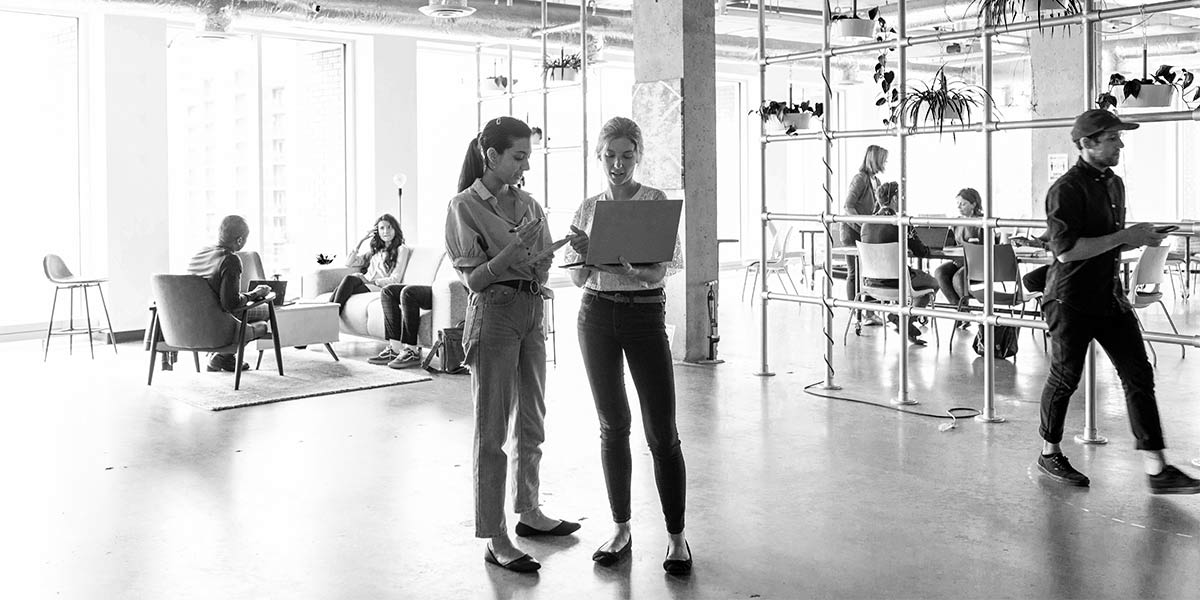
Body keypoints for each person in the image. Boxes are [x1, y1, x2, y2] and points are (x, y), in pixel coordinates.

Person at [1035, 109, 1199, 494]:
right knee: (1065, 378)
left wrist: (1139, 236)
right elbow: (1066, 252)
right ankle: (1049, 451)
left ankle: (1158, 469)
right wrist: (1127, 236)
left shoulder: (1115, 184)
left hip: (1109, 297)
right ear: (1087, 144)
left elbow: (1108, 238)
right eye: (1112, 138)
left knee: (1138, 376)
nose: (1120, 144)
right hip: (1071, 300)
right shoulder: (1065, 189)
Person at [445, 116, 578, 574]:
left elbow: (539, 266)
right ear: (492, 156)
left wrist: (556, 250)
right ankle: (494, 535)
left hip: (530, 310)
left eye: (528, 156)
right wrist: (510, 252)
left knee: (532, 420)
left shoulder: (528, 202)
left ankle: (530, 511)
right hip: (495, 314)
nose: (524, 165)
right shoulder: (464, 206)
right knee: (492, 431)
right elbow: (474, 279)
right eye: (518, 156)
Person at [564, 116, 692, 574]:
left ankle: (677, 538)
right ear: (598, 156)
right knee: (612, 425)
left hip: (643, 314)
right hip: (594, 315)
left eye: (626, 155)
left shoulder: (653, 202)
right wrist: (583, 252)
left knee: (662, 431)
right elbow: (577, 277)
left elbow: (659, 272)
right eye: (609, 156)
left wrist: (634, 271)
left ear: (638, 156)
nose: (617, 164)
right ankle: (621, 528)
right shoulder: (587, 207)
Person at [186, 215, 272, 372]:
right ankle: (224, 356)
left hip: (191, 322)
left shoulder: (200, 253)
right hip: (217, 321)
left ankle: (224, 356)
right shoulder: (230, 259)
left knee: (243, 310)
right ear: (239, 240)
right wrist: (255, 293)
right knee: (265, 310)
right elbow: (230, 304)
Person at [860, 181, 939, 346]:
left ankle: (903, 321)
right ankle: (907, 321)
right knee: (933, 283)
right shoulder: (900, 222)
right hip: (897, 283)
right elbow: (920, 251)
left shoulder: (866, 223)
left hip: (872, 284)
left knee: (915, 278)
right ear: (895, 199)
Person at [842, 145, 889, 326]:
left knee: (869, 271)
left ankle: (869, 312)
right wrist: (864, 224)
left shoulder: (875, 181)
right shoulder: (860, 179)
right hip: (851, 230)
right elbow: (848, 206)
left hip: (864, 231)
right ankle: (856, 313)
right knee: (854, 272)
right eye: (883, 159)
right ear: (875, 159)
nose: (885, 163)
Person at [329, 214, 405, 313]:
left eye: (389, 227)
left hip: (378, 287)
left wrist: (370, 282)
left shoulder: (401, 249)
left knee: (347, 283)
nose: (385, 231)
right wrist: (362, 240)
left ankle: (330, 317)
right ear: (377, 232)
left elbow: (395, 278)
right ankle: (329, 317)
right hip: (366, 283)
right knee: (339, 289)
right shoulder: (375, 251)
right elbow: (349, 263)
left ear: (395, 229)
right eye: (382, 228)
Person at [934, 187, 985, 324]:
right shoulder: (956, 222)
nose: (959, 207)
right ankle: (962, 311)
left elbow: (989, 248)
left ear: (974, 204)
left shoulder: (983, 222)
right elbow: (950, 246)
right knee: (939, 272)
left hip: (977, 264)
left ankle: (964, 313)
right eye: (958, 204)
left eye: (963, 204)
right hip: (960, 261)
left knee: (957, 278)